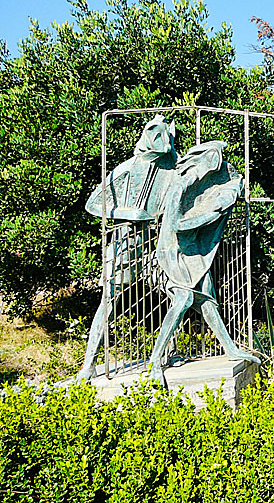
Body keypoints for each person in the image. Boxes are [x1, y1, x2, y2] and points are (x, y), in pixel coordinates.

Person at [77, 114, 178, 381]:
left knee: (178, 293)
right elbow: (93, 204)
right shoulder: (126, 170)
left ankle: (168, 352)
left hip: (157, 246)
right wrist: (127, 213)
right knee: (108, 302)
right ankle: (88, 364)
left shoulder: (170, 169)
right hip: (124, 245)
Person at [148, 141, 259, 384]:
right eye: (212, 158)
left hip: (194, 251)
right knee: (184, 299)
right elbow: (178, 225)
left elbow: (233, 180)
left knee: (208, 301)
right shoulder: (179, 186)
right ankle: (155, 361)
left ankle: (230, 348)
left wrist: (229, 194)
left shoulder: (203, 182)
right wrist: (210, 215)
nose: (214, 165)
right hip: (174, 251)